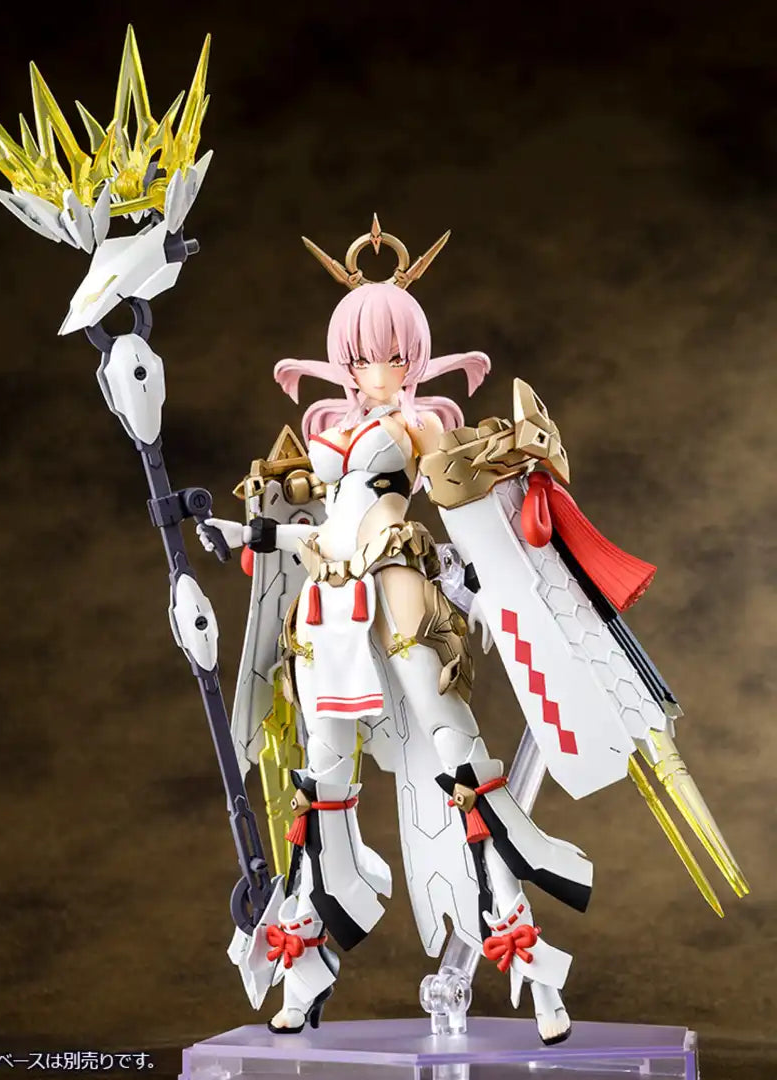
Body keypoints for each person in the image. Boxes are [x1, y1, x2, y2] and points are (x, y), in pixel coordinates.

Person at [198, 224, 592, 1044]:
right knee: (320, 786)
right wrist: (247, 535)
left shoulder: (420, 427)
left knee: (464, 768)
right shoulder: (323, 431)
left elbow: (463, 506)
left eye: (394, 354)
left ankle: (527, 957)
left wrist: (503, 544)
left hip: (397, 585)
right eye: (364, 354)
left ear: (414, 356)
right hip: (328, 607)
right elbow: (314, 531)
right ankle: (307, 961)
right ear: (342, 357)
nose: (380, 369)